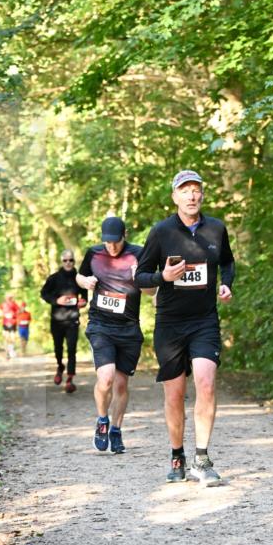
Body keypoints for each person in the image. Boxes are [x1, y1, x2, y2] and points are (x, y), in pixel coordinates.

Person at [135, 169, 235, 485]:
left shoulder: (216, 229)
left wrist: (226, 284)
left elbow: (228, 262)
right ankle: (177, 454)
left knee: (206, 383)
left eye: (196, 190)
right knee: (175, 395)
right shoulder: (161, 232)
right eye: (185, 190)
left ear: (202, 195)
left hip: (204, 321)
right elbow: (140, 276)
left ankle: (202, 459)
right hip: (170, 324)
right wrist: (162, 278)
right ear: (175, 196)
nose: (191, 195)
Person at [77, 216, 154, 454]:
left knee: (121, 384)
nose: (111, 247)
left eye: (116, 242)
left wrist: (139, 277)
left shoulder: (140, 254)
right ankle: (102, 421)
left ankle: (116, 429)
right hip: (101, 325)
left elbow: (152, 291)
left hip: (129, 328)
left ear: (125, 235)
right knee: (106, 378)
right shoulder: (94, 253)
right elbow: (79, 276)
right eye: (107, 242)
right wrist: (86, 281)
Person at [40, 251, 86, 393]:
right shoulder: (54, 278)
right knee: (58, 348)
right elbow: (43, 293)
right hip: (57, 319)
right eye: (65, 260)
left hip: (72, 319)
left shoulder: (79, 279)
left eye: (71, 260)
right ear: (62, 261)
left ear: (74, 261)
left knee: (72, 349)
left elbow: (85, 297)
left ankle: (70, 379)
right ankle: (60, 366)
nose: (68, 263)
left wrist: (82, 302)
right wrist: (56, 300)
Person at [0, 293, 19, 358]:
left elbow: (19, 311)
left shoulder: (14, 304)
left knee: (13, 337)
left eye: (10, 297)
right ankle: (7, 351)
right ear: (6, 298)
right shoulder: (3, 304)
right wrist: (3, 314)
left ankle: (11, 350)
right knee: (6, 338)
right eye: (8, 297)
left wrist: (13, 314)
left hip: (13, 322)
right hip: (5, 323)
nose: (9, 298)